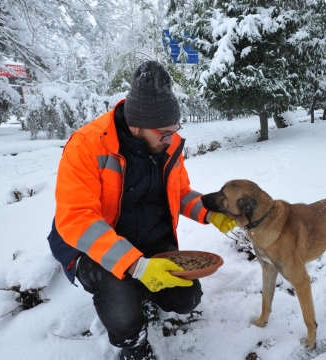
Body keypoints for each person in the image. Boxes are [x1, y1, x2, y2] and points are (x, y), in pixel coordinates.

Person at [47, 60, 236, 360]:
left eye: (175, 130)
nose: (172, 139)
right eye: (164, 133)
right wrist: (137, 266)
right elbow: (77, 219)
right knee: (122, 307)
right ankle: (134, 345)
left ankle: (145, 294)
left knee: (187, 298)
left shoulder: (166, 144)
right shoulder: (86, 146)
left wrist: (209, 212)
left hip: (148, 238)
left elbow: (180, 193)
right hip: (92, 248)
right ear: (135, 126)